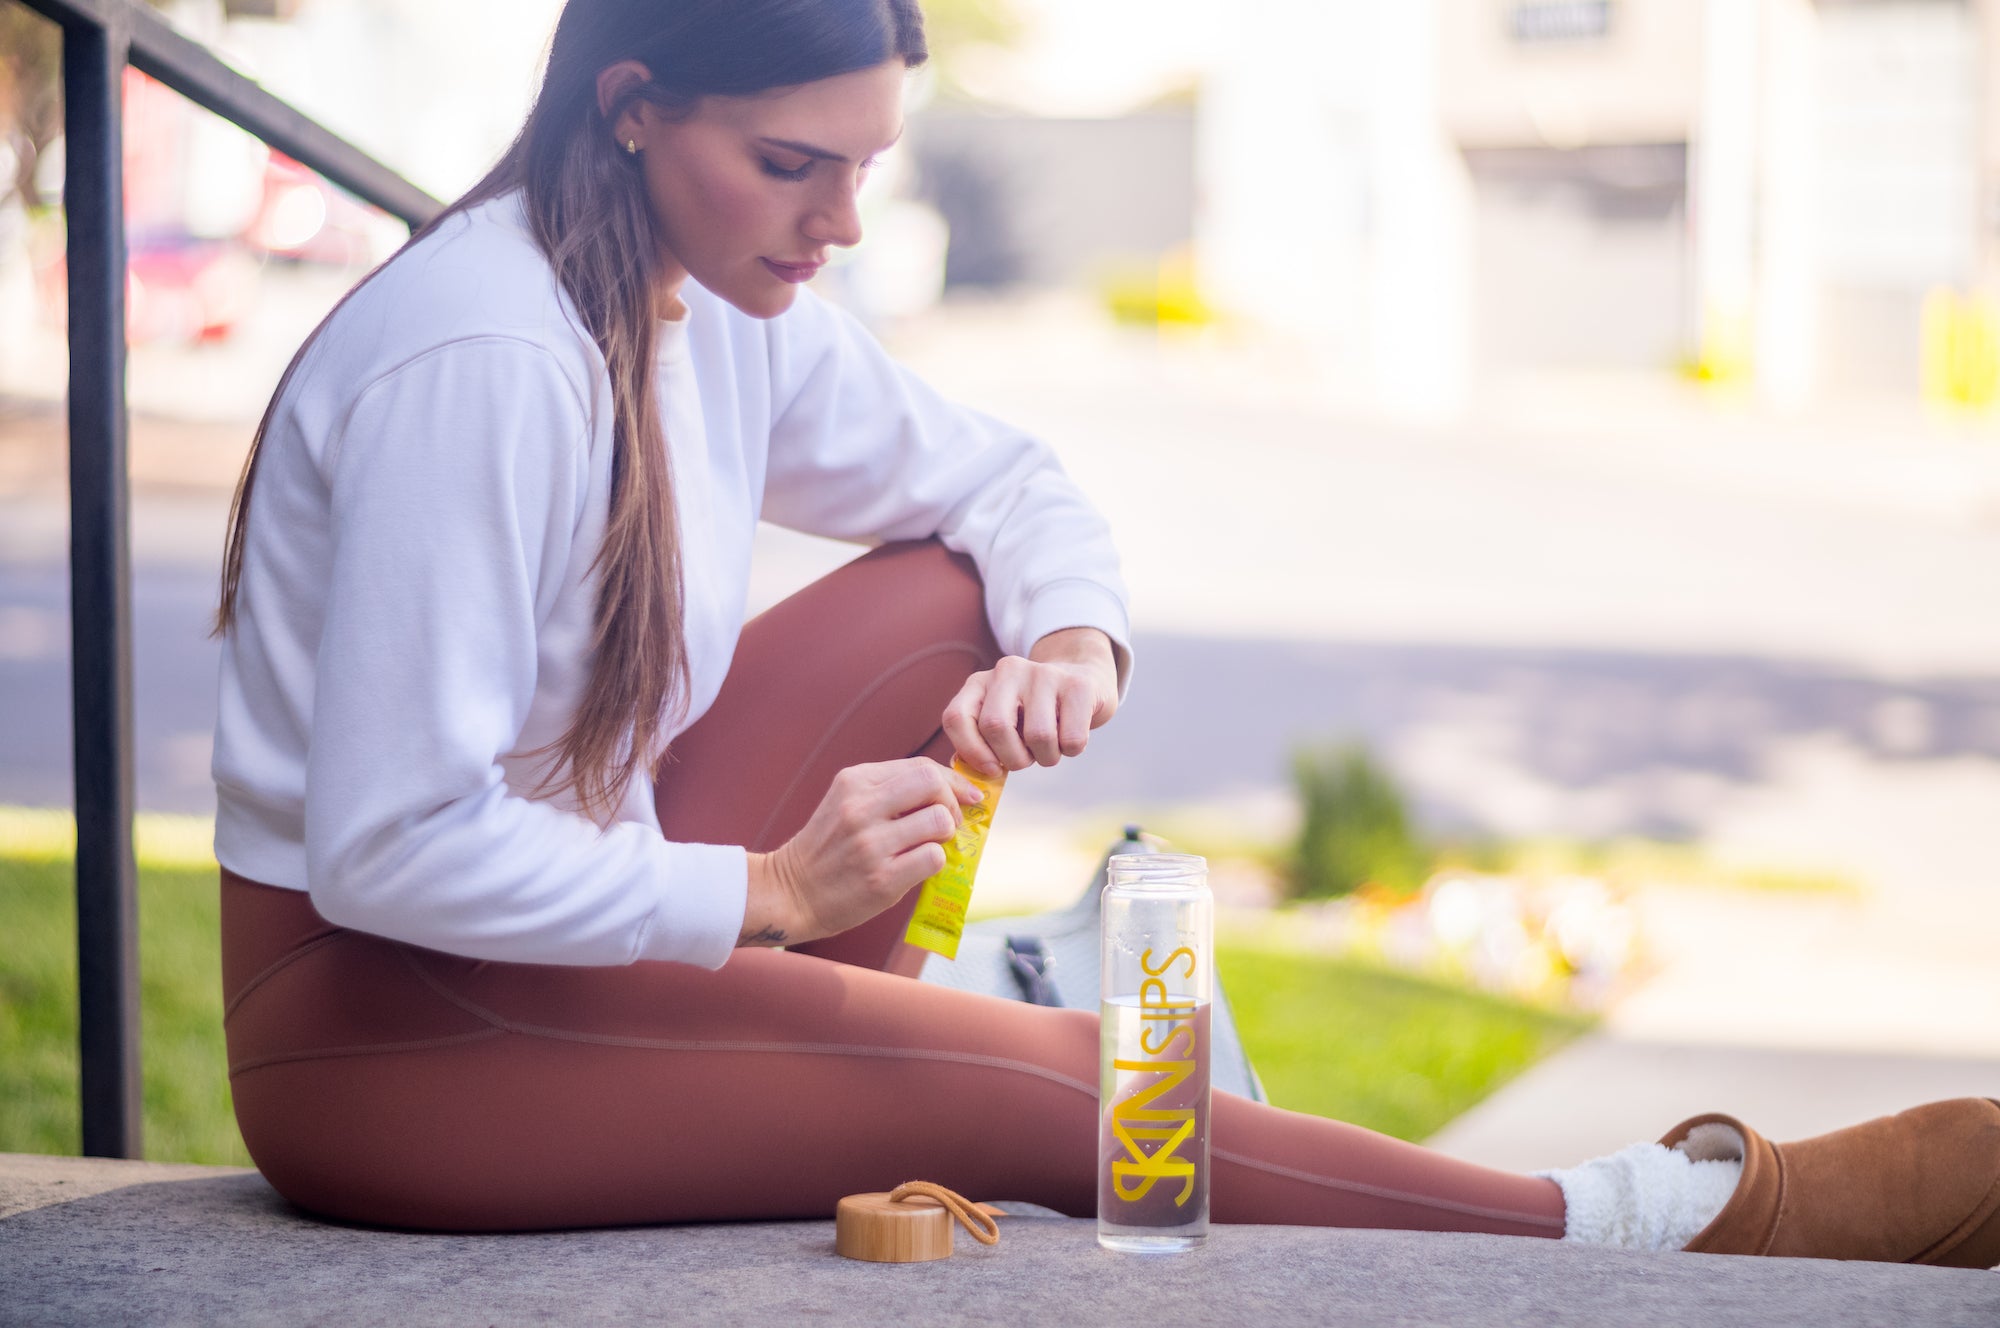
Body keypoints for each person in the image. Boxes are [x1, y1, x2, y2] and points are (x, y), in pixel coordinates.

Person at [208, 0, 2000, 1266]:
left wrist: (1073, 640)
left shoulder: (703, 289)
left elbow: (1008, 481)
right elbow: (390, 845)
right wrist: (766, 898)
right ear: (628, 105)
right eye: (789, 165)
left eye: (863, 169)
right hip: (388, 1037)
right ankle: (1647, 1218)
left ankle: (853, 1042)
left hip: (567, 926)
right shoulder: (490, 362)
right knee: (1090, 1091)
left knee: (953, 586)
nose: (838, 226)